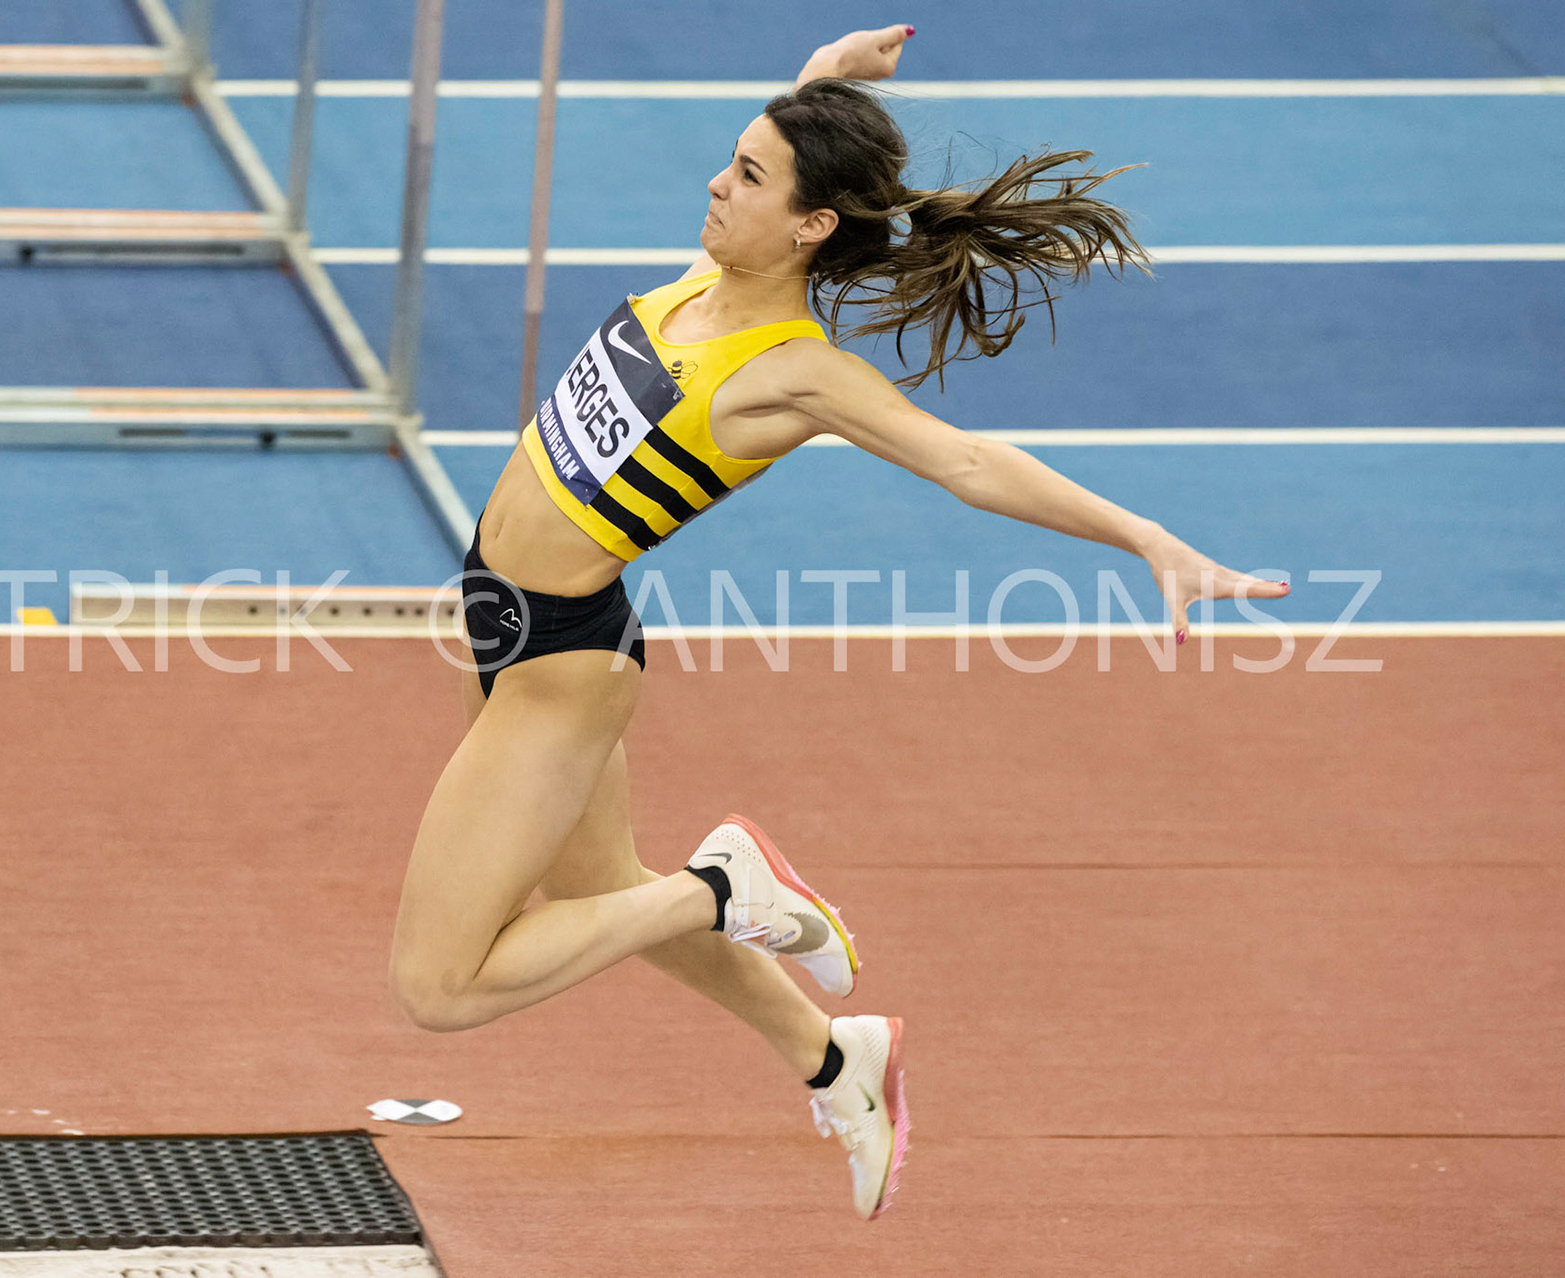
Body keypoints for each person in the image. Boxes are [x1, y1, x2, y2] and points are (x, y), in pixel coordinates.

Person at [388, 24, 1291, 1220]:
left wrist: (1148, 540)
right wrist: (824, 80)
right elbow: (795, 169)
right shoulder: (715, 277)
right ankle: (834, 1057)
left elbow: (968, 462)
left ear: (810, 227)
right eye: (733, 161)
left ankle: (725, 883)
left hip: (562, 660)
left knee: (442, 987)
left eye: (750, 178)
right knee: (602, 890)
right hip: (502, 614)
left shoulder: (791, 371)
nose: (718, 184)